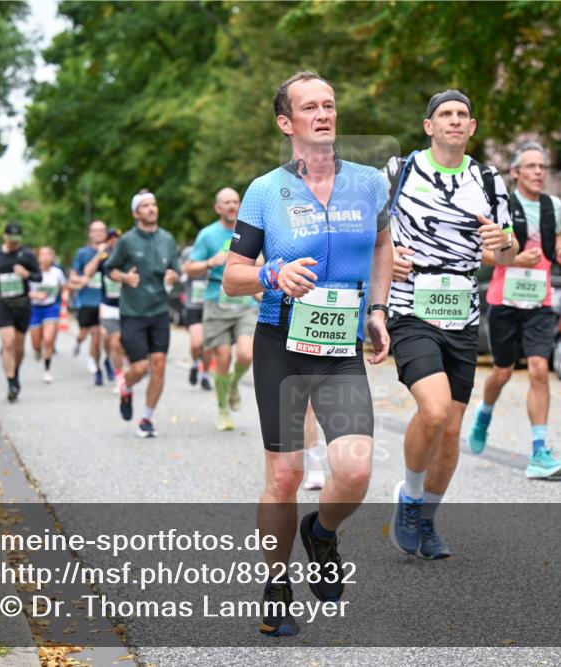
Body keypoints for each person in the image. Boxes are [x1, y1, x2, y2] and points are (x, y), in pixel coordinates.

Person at [223, 71, 392, 637]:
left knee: (356, 467)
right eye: (310, 107)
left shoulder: (369, 183)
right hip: (281, 344)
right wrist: (272, 272)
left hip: (341, 344)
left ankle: (322, 532)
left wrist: (377, 309)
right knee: (285, 474)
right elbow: (232, 276)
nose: (323, 114)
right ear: (286, 123)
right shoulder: (265, 190)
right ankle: (275, 585)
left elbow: (385, 245)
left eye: (330, 105)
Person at [384, 90, 518, 559]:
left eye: (463, 115)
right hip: (410, 305)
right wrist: (388, 258)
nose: (455, 121)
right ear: (429, 126)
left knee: (451, 430)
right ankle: (410, 496)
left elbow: (508, 254)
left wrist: (503, 243)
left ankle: (428, 519)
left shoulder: (488, 178)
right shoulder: (398, 172)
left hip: (461, 309)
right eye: (445, 114)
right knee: (435, 411)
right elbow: (364, 231)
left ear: (472, 126)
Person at [467, 141, 561, 480]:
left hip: (540, 301)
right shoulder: (501, 205)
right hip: (505, 301)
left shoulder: (553, 206)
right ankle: (485, 413)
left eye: (542, 167)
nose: (539, 172)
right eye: (531, 167)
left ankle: (539, 451)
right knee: (502, 372)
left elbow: (554, 248)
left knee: (540, 369)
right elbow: (478, 253)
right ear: (515, 173)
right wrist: (513, 258)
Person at [105, 190, 181, 437]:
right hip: (133, 311)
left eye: (154, 205)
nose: (151, 209)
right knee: (139, 368)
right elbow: (110, 269)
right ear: (136, 213)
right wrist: (125, 277)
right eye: (145, 206)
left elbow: (176, 271)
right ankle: (126, 387)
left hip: (159, 310)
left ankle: (146, 419)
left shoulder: (168, 239)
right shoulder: (126, 241)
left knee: (158, 366)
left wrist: (173, 276)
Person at [184, 187, 259, 431]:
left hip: (245, 301)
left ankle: (234, 384)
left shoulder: (251, 231)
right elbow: (189, 268)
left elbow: (261, 263)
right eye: (226, 202)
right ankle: (222, 409)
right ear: (218, 207)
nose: (231, 206)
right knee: (223, 358)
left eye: (235, 201)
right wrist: (210, 262)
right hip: (216, 300)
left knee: (247, 354)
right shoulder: (207, 234)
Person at [0, 222, 42, 402]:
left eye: (16, 240)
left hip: (22, 304)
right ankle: (11, 382)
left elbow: (39, 276)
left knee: (19, 348)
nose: (14, 243)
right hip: (2, 302)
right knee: (8, 342)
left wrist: (27, 274)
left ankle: (15, 372)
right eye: (11, 240)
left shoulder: (26, 254)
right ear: (4, 236)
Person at [81, 228, 127, 394]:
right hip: (108, 307)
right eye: (110, 239)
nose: (113, 242)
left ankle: (120, 373)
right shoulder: (104, 258)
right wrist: (98, 254)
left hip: (127, 307)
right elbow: (87, 272)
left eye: (116, 239)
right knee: (111, 342)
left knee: (119, 343)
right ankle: (115, 373)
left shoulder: (128, 257)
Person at [70, 220, 111, 385]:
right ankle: (97, 368)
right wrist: (81, 279)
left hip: (106, 301)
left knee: (106, 337)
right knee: (91, 336)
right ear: (90, 234)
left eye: (102, 230)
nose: (99, 233)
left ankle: (108, 361)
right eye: (95, 231)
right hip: (87, 302)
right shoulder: (82, 253)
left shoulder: (112, 251)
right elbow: (73, 275)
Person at [28, 246, 67, 384]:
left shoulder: (57, 272)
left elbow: (64, 287)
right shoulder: (31, 273)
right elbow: (24, 291)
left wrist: (63, 299)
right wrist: (35, 294)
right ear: (37, 257)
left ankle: (47, 370)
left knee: (49, 339)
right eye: (42, 254)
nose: (45, 257)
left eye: (48, 254)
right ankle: (38, 350)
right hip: (34, 309)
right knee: (36, 344)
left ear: (53, 257)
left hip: (51, 308)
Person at [179, 245, 214, 391]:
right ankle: (194, 363)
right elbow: (182, 273)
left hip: (211, 306)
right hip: (193, 306)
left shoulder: (218, 251)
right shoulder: (189, 252)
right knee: (197, 343)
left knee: (207, 346)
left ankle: (205, 374)